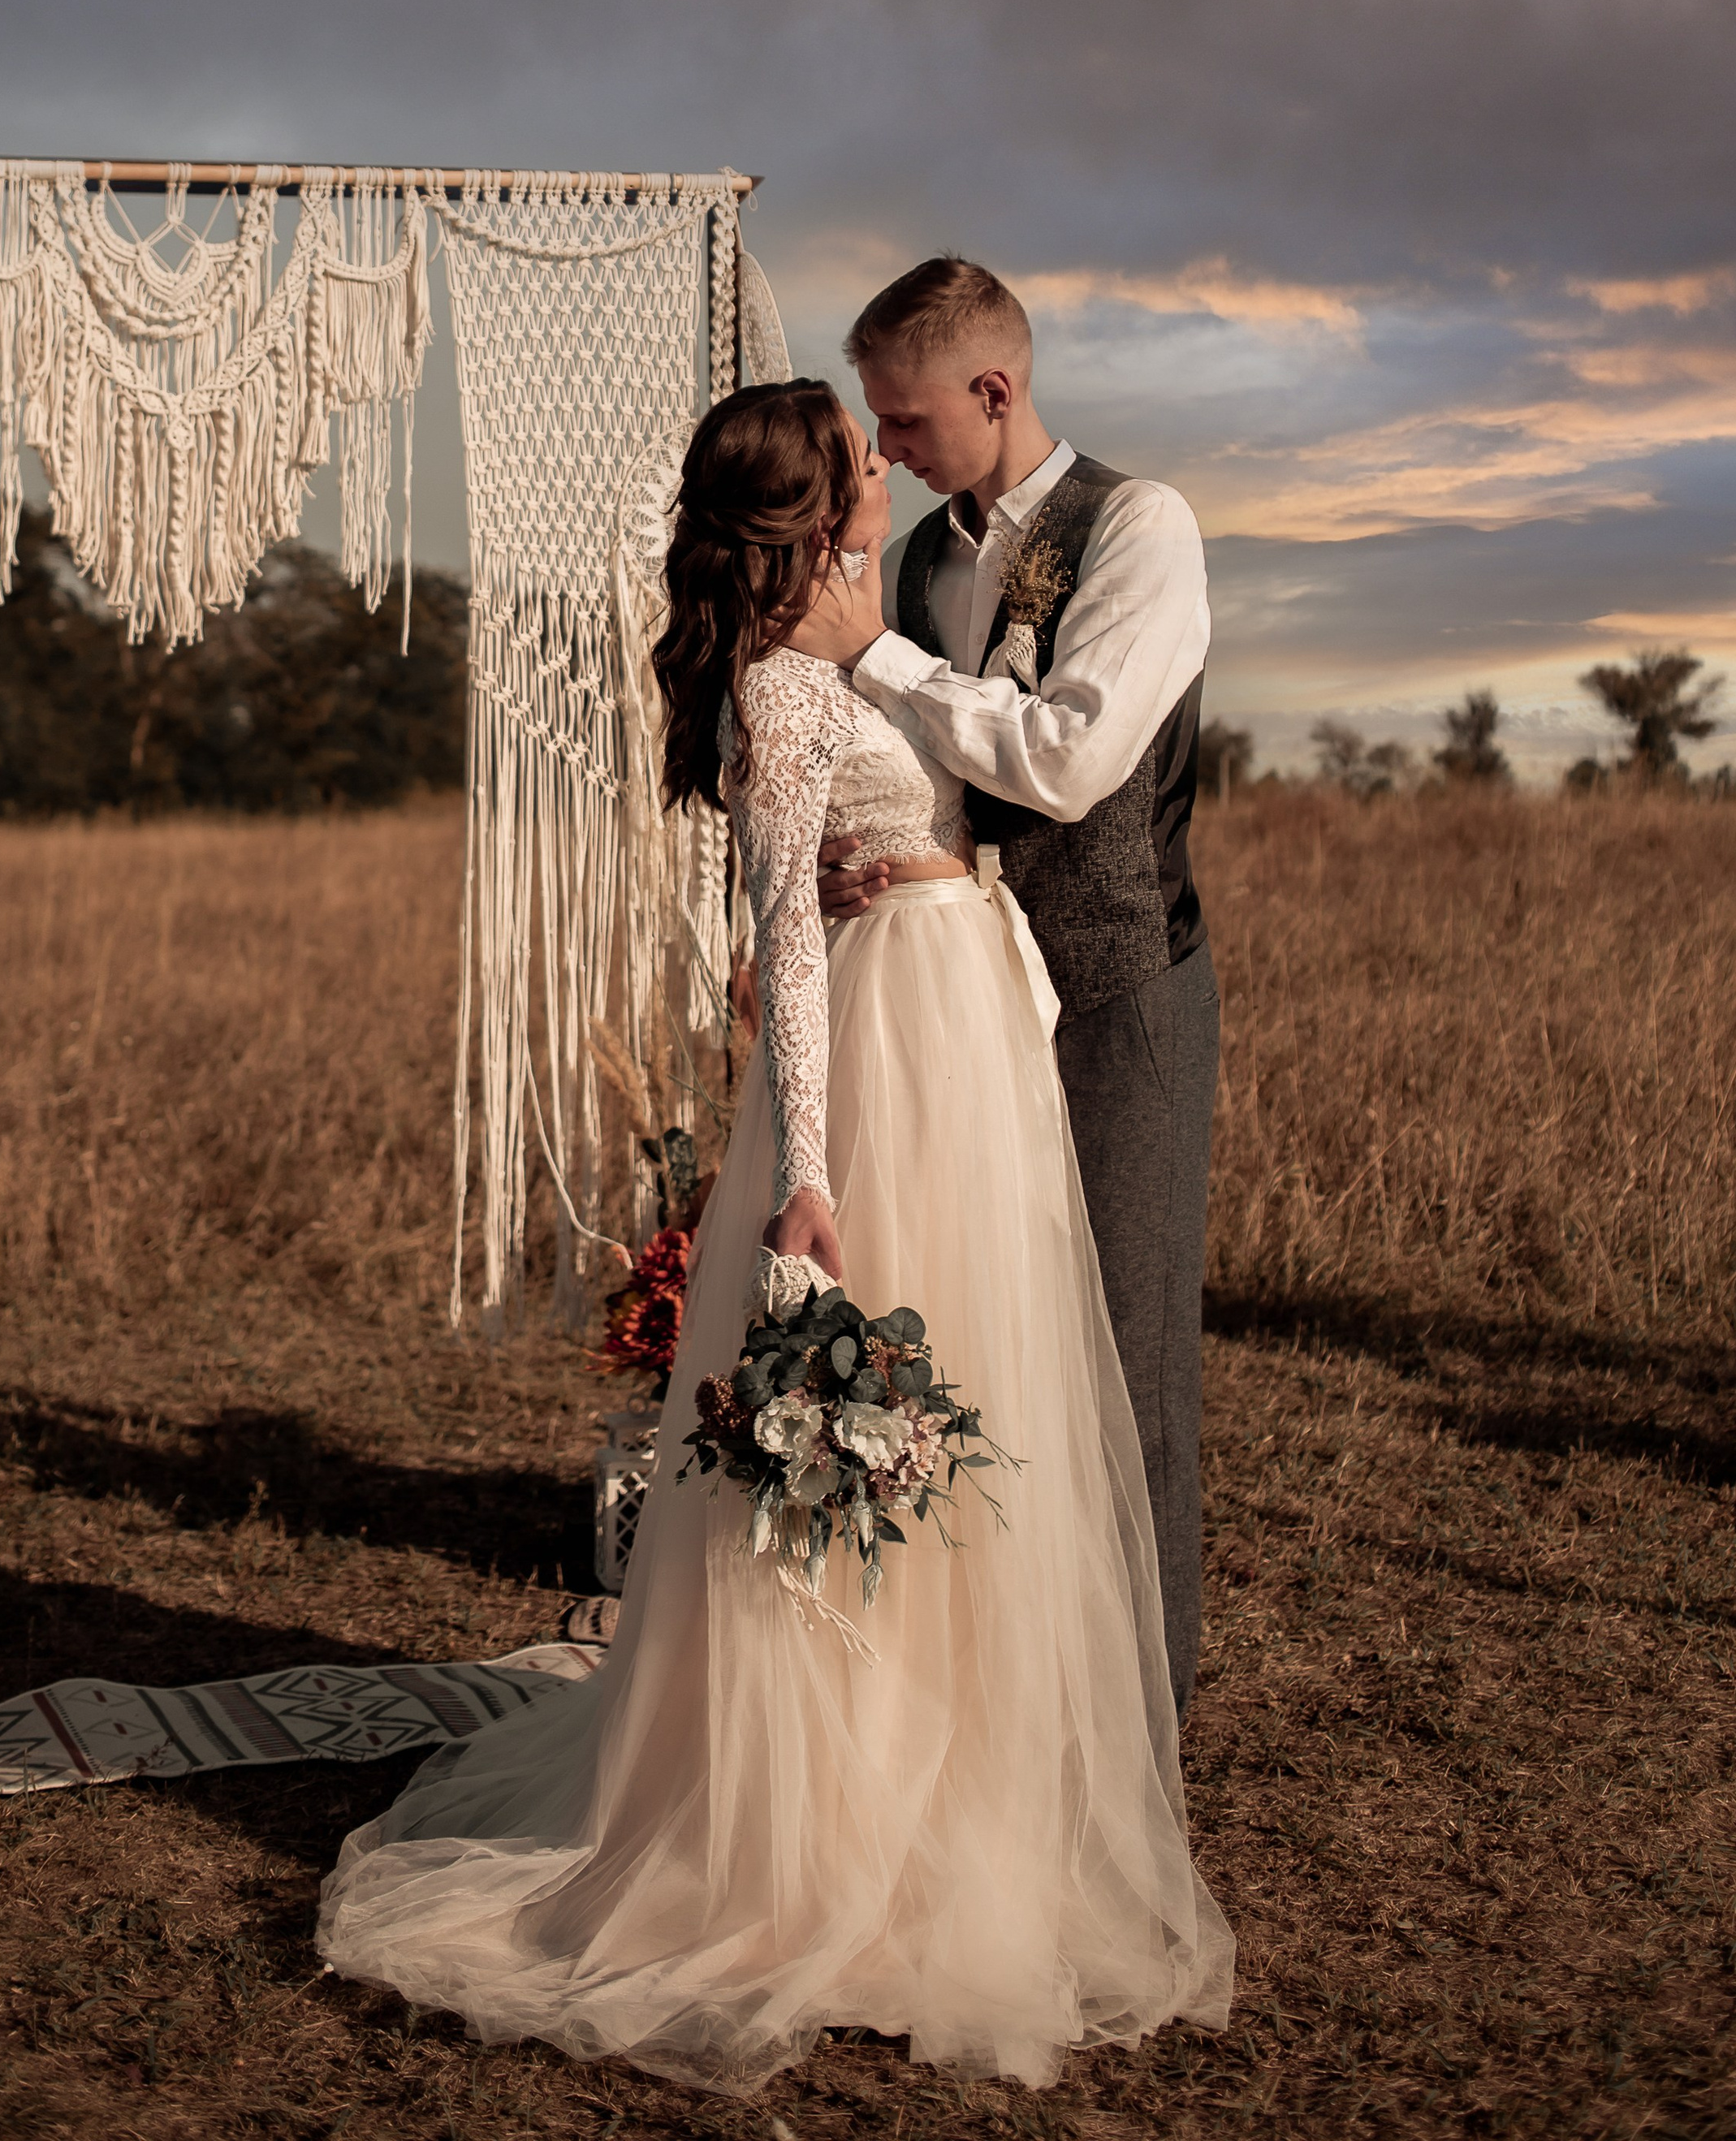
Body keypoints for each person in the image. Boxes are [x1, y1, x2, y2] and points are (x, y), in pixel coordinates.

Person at [317, 378, 1232, 2094]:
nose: (886, 461)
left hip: (969, 1033)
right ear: (815, 503)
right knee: (874, 1435)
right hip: (889, 1060)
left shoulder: (874, 637)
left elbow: (978, 780)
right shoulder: (785, 692)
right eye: (857, 445)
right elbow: (785, 952)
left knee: (979, 1412)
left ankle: (969, 1783)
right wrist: (809, 1167)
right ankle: (834, 1824)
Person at [825, 257, 1216, 1717]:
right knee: (985, 1343)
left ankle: (1139, 1734)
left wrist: (874, 656)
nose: (887, 451)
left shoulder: (1142, 528)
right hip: (964, 1003)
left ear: (995, 389)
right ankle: (1003, 1712)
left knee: (1127, 1365)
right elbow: (937, 775)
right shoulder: (924, 555)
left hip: (1123, 992)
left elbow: (1063, 758)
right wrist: (869, 861)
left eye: (907, 419)